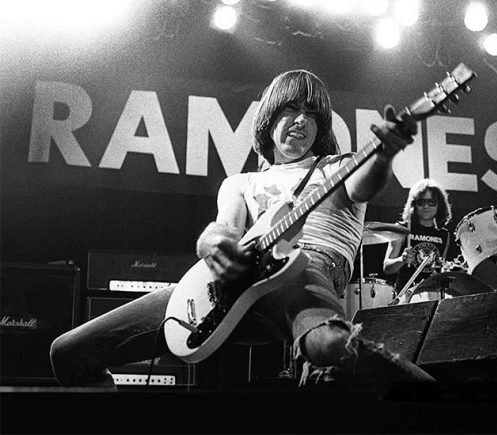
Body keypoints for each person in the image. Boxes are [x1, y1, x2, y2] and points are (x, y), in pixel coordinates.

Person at [49, 69, 435, 388]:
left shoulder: (338, 166)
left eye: (311, 113)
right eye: (290, 109)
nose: (301, 119)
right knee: (69, 353)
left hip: (305, 270)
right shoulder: (240, 183)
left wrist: (385, 152)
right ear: (269, 118)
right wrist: (213, 246)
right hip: (231, 291)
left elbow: (364, 184)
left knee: (329, 346)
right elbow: (222, 230)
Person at [382, 179, 452, 296]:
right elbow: (387, 267)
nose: (426, 206)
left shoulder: (444, 235)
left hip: (432, 294)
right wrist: (401, 260)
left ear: (439, 205)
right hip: (406, 295)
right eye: (421, 202)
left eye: (431, 202)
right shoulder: (402, 229)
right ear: (414, 204)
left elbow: (440, 269)